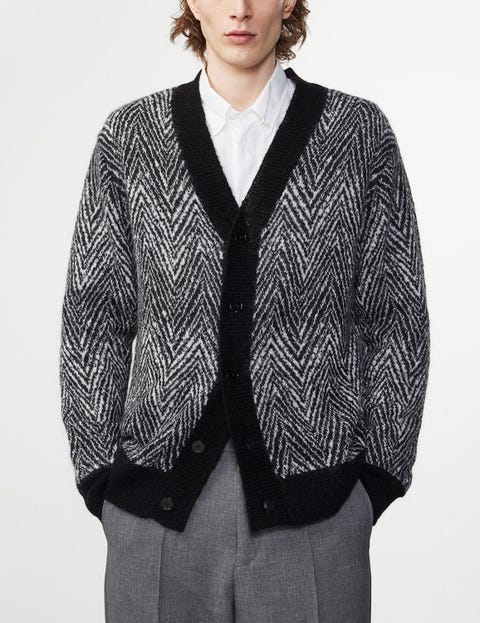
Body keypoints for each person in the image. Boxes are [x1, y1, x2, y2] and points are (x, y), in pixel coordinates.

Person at [59, 1, 430, 621]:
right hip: (156, 515)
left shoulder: (357, 135)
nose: (239, 9)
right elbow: (95, 315)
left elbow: (396, 314)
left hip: (318, 507)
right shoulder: (130, 138)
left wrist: (376, 478)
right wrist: (102, 475)